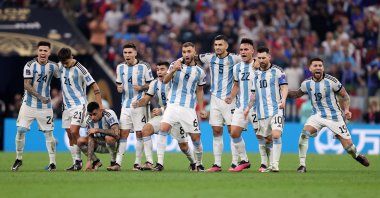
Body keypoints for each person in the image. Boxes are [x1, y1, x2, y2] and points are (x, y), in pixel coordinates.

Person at [288, 57, 370, 173]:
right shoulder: (306, 83)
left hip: (335, 117)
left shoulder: (332, 81)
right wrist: (284, 92)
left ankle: (357, 155)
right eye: (315, 66)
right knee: (304, 135)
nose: (318, 68)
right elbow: (296, 94)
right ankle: (302, 165)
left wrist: (346, 110)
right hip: (317, 115)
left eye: (320, 66)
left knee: (349, 148)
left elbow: (345, 96)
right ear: (310, 68)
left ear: (323, 68)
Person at [132, 61, 196, 171]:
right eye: (157, 69)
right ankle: (150, 162)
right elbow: (146, 99)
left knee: (184, 147)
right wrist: (138, 103)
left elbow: (178, 102)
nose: (159, 72)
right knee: (146, 130)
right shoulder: (154, 83)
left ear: (169, 70)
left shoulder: (176, 82)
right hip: (164, 117)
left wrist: (161, 109)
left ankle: (194, 162)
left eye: (162, 69)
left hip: (177, 116)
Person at [155, 42, 207, 171]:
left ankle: (198, 163)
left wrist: (201, 109)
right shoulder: (175, 64)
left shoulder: (200, 72)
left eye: (189, 51)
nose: (186, 54)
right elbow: (165, 81)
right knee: (163, 129)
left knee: (195, 139)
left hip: (188, 108)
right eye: (184, 52)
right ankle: (160, 163)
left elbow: (199, 91)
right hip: (172, 105)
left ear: (194, 52)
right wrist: (173, 70)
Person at [12, 41, 59, 171]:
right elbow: (26, 85)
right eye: (40, 50)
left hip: (45, 107)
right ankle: (18, 159)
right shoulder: (29, 65)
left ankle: (52, 163)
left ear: (49, 52)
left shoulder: (53, 67)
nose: (43, 53)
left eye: (45, 51)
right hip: (29, 104)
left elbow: (62, 75)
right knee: (21, 130)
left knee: (49, 133)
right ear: (37, 51)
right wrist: (40, 97)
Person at [197, 35, 242, 172]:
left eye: (220, 45)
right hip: (214, 99)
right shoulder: (209, 57)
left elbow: (250, 60)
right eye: (216, 45)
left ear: (226, 46)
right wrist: (179, 61)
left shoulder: (234, 58)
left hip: (229, 100)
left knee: (232, 131)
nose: (217, 47)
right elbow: (192, 57)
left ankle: (235, 163)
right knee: (216, 131)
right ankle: (217, 164)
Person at [108, 43, 154, 171]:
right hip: (125, 105)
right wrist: (119, 88)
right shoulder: (120, 67)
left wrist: (141, 87)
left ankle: (137, 163)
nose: (127, 55)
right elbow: (118, 86)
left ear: (135, 53)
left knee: (140, 133)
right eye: (125, 53)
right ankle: (118, 163)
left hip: (140, 104)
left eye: (129, 52)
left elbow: (152, 84)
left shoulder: (144, 66)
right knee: (123, 134)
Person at [243, 46, 288, 172]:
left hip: (277, 109)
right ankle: (267, 163)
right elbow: (253, 94)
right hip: (262, 112)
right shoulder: (255, 75)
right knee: (267, 139)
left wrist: (283, 99)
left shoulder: (278, 71)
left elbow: (284, 87)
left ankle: (275, 164)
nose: (261, 60)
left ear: (269, 57)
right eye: (259, 58)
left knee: (276, 135)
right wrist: (248, 108)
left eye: (264, 57)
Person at [58, 48, 103, 171]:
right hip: (66, 107)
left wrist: (100, 107)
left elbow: (95, 86)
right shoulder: (60, 66)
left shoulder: (81, 69)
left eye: (66, 62)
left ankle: (92, 160)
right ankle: (79, 162)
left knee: (73, 131)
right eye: (62, 63)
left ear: (72, 57)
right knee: (69, 134)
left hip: (79, 105)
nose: (64, 65)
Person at [225, 38, 256, 172]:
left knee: (263, 136)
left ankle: (267, 163)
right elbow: (236, 85)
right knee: (234, 133)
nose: (243, 52)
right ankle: (244, 160)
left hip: (257, 107)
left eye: (246, 49)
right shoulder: (237, 67)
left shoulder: (259, 65)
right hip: (240, 106)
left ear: (252, 51)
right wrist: (231, 97)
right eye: (241, 50)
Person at [77, 102, 120, 171]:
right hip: (100, 144)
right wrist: (88, 161)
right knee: (80, 141)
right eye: (90, 115)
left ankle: (113, 162)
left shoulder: (109, 114)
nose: (92, 117)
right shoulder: (88, 120)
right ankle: (96, 161)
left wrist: (98, 130)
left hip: (114, 145)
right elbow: (91, 139)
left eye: (94, 114)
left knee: (108, 138)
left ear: (100, 110)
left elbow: (116, 133)